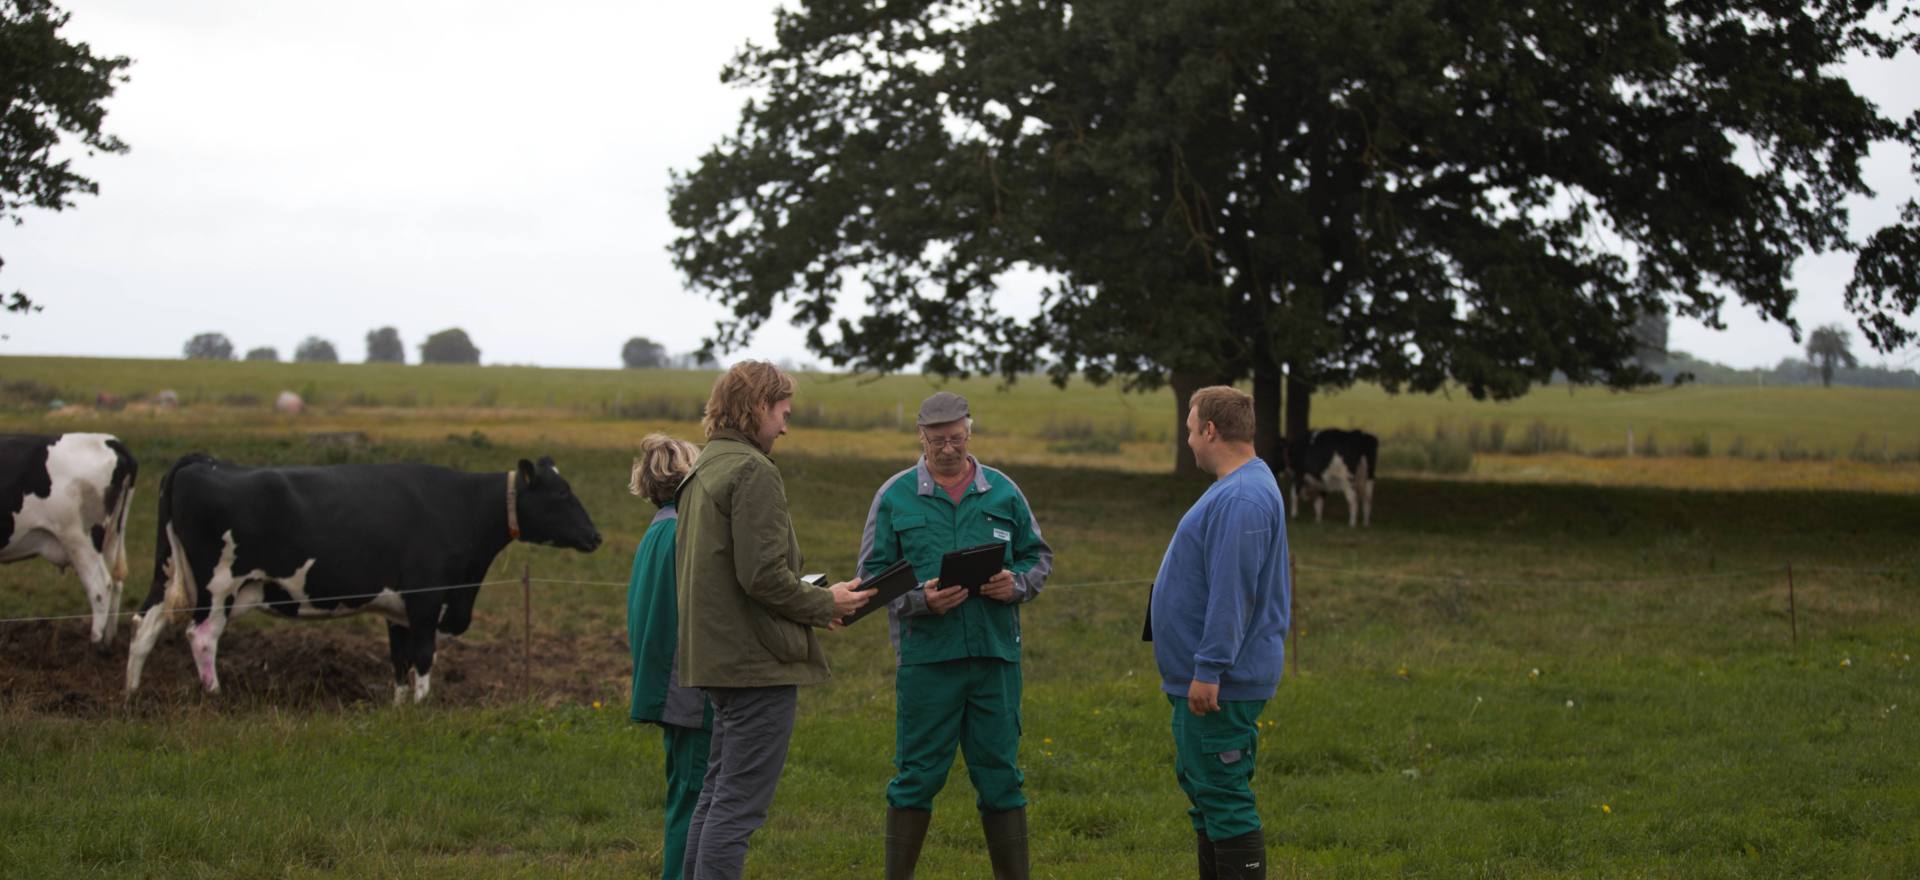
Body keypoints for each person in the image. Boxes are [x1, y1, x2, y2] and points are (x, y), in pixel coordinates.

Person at [675, 360, 874, 880]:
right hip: (755, 664)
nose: (786, 426)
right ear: (758, 406)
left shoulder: (703, 468)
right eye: (783, 412)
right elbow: (762, 576)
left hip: (718, 658)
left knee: (716, 796)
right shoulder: (751, 470)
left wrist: (812, 602)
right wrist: (825, 603)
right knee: (737, 809)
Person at [857, 391, 1052, 880]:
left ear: (970, 432)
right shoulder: (895, 495)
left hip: (994, 657)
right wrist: (921, 599)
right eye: (938, 440)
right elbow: (870, 580)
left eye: (957, 438)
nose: (949, 449)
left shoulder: (1004, 492)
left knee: (1002, 777)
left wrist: (1017, 584)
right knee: (916, 777)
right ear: (921, 438)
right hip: (927, 661)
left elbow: (1038, 557)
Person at [1149, 386, 1289, 880]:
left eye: (1190, 430)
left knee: (1224, 797)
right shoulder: (1240, 486)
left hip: (1219, 683)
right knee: (1207, 792)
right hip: (1205, 677)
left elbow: (1233, 593)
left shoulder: (1242, 497)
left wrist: (1208, 670)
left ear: (1210, 429)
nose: (1188, 441)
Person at [625, 433, 707, 880]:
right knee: (695, 803)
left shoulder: (657, 529)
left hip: (670, 688)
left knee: (684, 794)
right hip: (691, 692)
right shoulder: (684, 533)